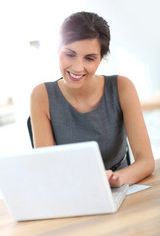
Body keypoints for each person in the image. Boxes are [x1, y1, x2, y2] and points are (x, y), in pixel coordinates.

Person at [30, 11, 155, 187]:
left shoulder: (122, 87)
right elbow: (47, 170)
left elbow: (146, 161)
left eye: (89, 58)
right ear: (57, 49)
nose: (78, 67)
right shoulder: (41, 95)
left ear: (101, 58)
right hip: (71, 191)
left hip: (121, 189)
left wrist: (115, 179)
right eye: (69, 54)